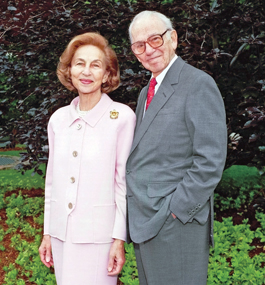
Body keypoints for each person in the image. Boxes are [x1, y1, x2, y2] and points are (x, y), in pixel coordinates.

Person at [125, 11, 227, 285]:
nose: (148, 50)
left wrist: (176, 210)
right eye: (139, 45)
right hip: (145, 220)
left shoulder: (198, 84)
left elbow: (210, 160)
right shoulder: (147, 90)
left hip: (175, 223)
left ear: (173, 38)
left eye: (155, 39)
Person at [39, 32, 136, 285]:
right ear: (69, 70)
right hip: (60, 236)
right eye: (79, 63)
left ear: (106, 74)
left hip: (100, 238)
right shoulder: (58, 119)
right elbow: (52, 182)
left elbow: (123, 183)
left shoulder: (122, 117)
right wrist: (48, 233)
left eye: (96, 65)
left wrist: (119, 239)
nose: (86, 71)